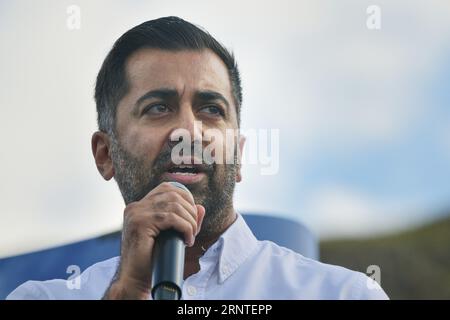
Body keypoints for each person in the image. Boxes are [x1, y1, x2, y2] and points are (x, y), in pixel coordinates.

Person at [7, 16, 388, 300]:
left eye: (211, 109)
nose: (189, 131)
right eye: (158, 107)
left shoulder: (343, 294)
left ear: (238, 156)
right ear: (105, 155)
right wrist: (127, 290)